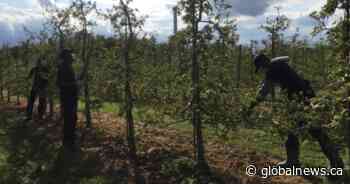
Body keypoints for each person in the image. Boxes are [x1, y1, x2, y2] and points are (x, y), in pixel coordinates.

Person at [248, 53, 344, 170]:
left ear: (263, 64)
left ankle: (334, 162)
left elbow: (263, 92)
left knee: (312, 130)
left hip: (298, 102)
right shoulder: (280, 64)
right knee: (297, 130)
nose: (262, 70)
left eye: (261, 67)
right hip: (306, 97)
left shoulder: (272, 70)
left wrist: (251, 105)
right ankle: (295, 161)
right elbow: (286, 58)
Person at [57, 49, 79, 151]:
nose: (72, 56)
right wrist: (75, 84)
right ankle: (69, 142)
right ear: (66, 57)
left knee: (72, 119)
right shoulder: (63, 68)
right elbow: (60, 84)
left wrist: (76, 82)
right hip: (67, 98)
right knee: (69, 119)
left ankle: (70, 140)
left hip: (71, 97)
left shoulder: (68, 67)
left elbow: (69, 81)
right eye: (70, 55)